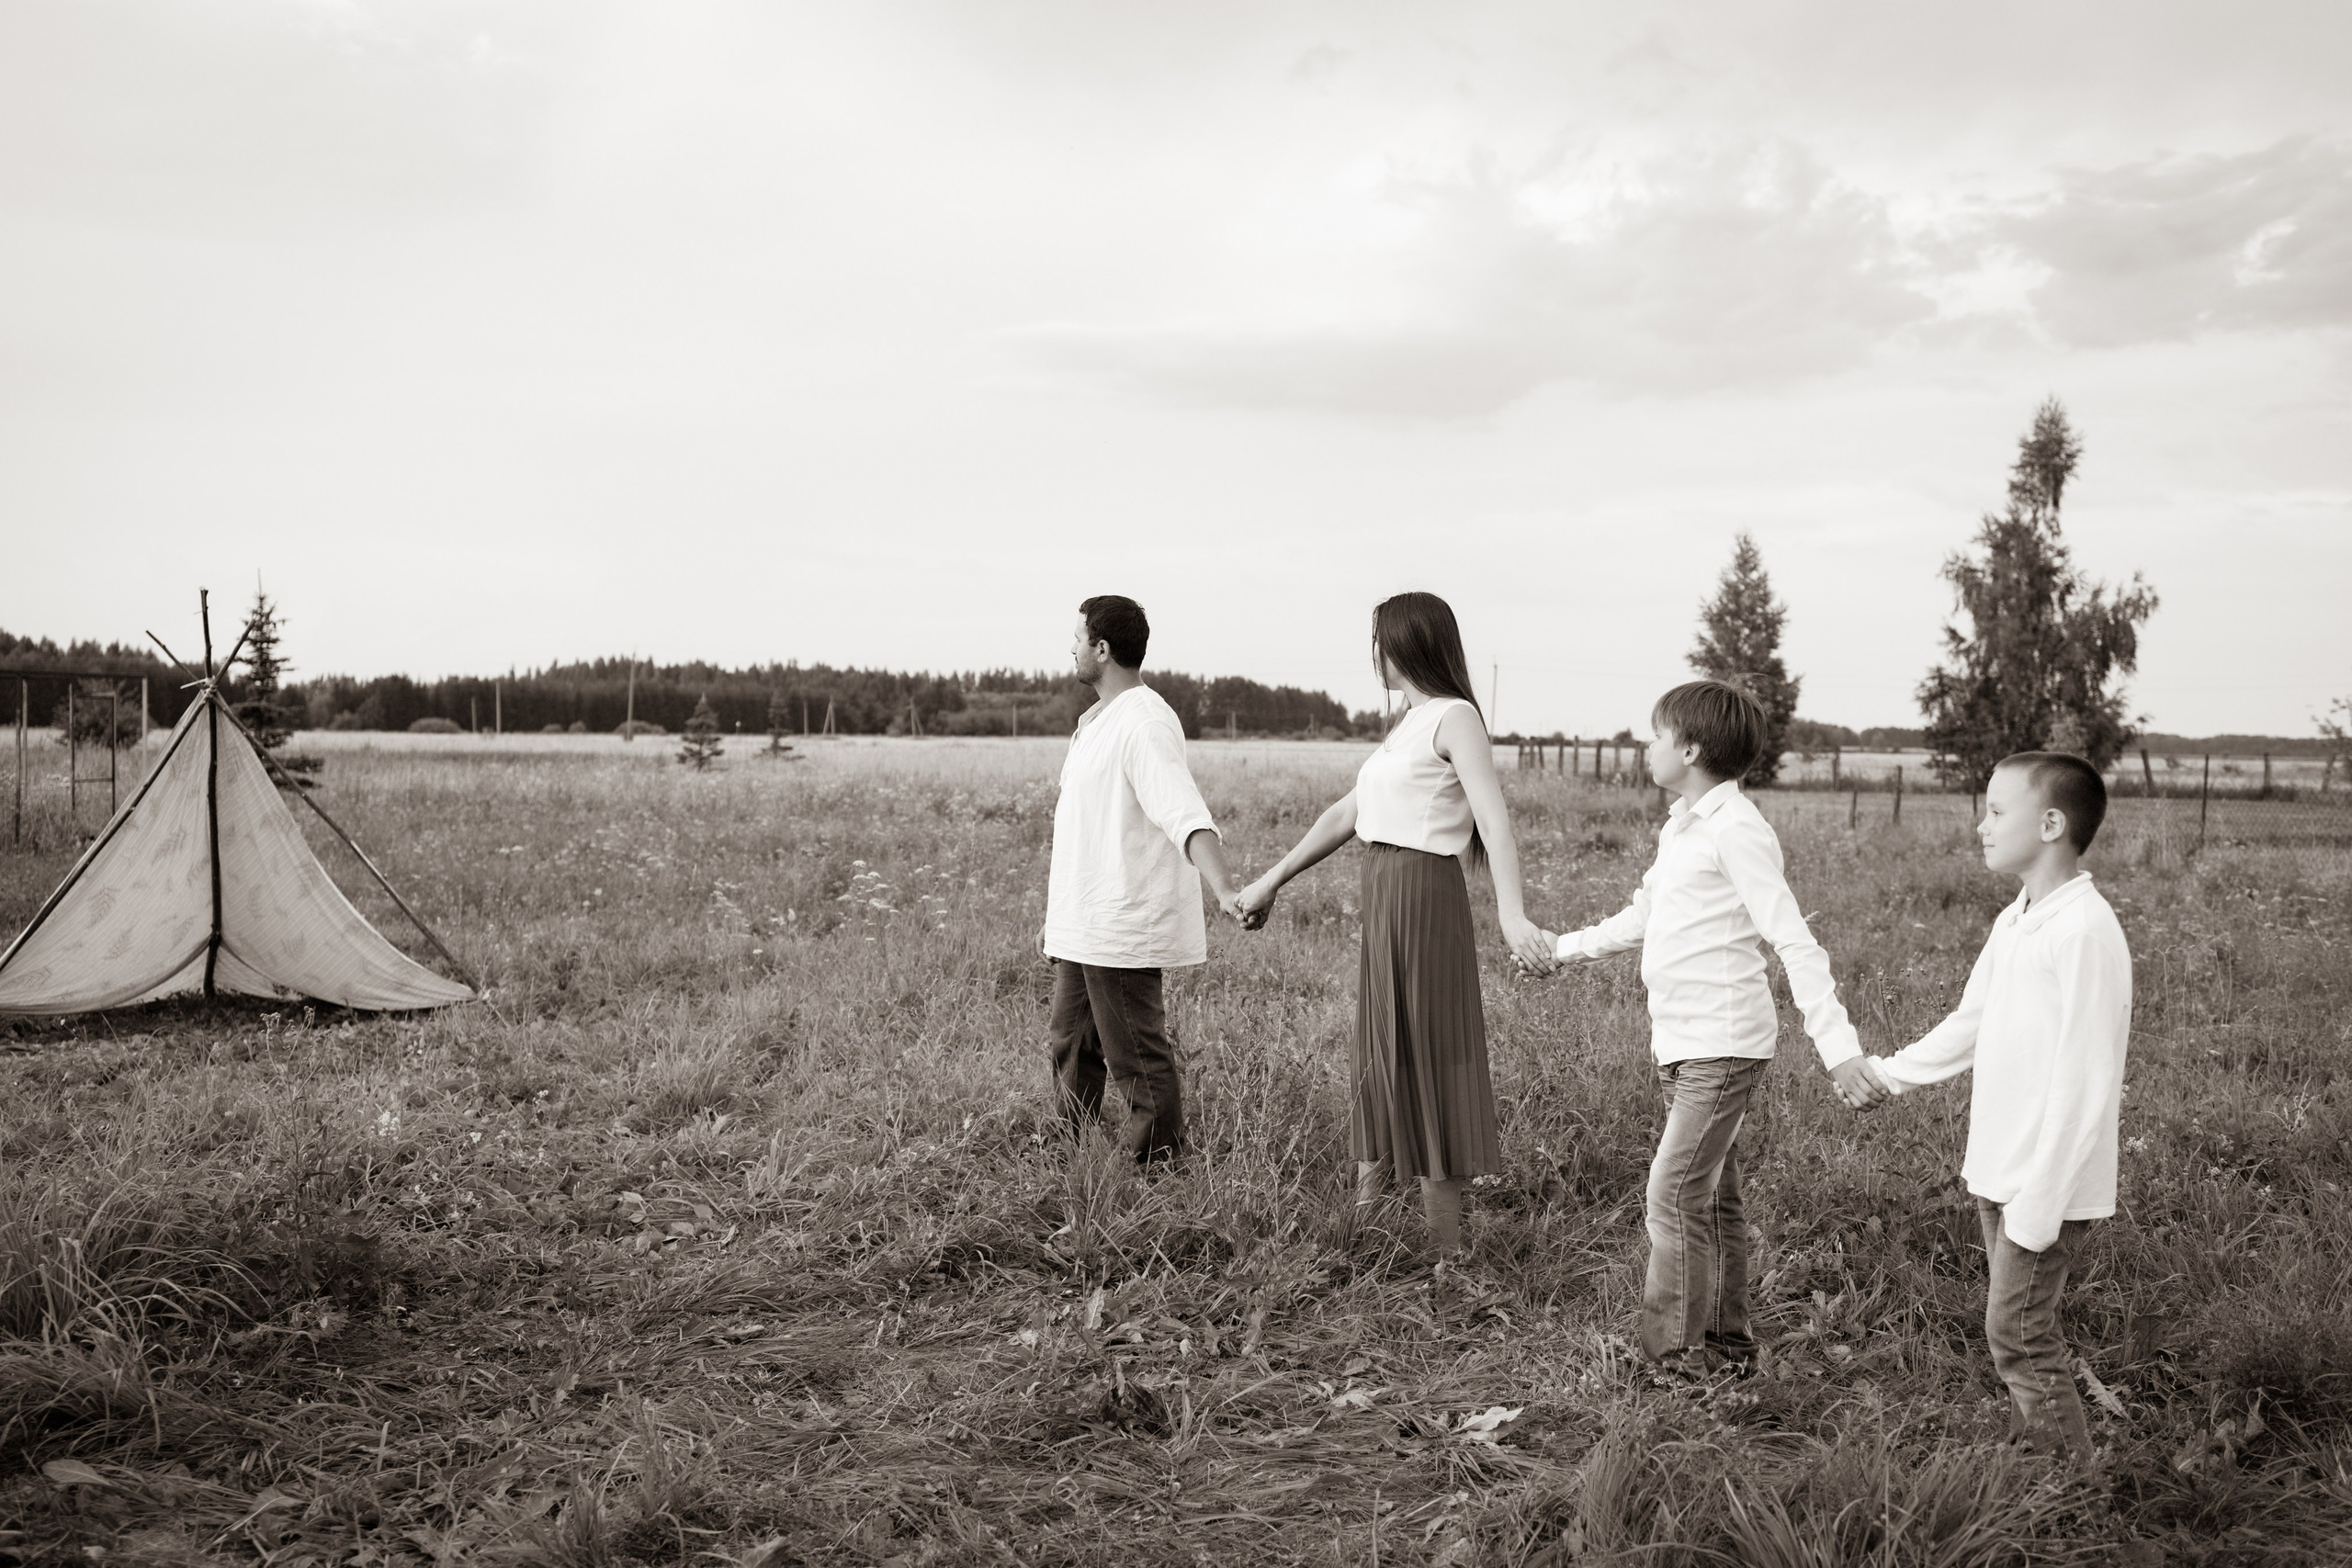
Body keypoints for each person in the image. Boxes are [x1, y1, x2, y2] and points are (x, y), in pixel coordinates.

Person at [1531, 680, 1881, 1373]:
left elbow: (1794, 940)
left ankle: (1675, 1359)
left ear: (1689, 748)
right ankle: (1725, 1346)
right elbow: (1644, 918)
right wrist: (1560, 949)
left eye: (1655, 734)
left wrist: (1839, 1049)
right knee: (1714, 1197)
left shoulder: (1737, 829)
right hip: (1682, 1042)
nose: (1645, 744)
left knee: (1672, 1191)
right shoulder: (1682, 825)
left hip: (1723, 1044)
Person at [1235, 592, 1553, 1257]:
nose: (1372, 654)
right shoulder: (1402, 725)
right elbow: (1345, 813)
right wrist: (1271, 879)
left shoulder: (1455, 716)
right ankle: (1364, 1224)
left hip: (1425, 895)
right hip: (1383, 892)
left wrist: (1511, 911)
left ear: (1407, 643)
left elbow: (1493, 818)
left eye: (1378, 640)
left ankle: (1447, 1254)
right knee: (1379, 1048)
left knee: (1430, 1053)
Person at [1849, 752, 2131, 1461]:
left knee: (2019, 1336)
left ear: (2051, 822)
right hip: (2000, 1169)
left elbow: (2086, 1081)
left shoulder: (2083, 932)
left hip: (2045, 1183)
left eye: (1997, 811)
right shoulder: (2019, 918)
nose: (1982, 825)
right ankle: (2045, 1454)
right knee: (2020, 1333)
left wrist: (2040, 1203)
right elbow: (1970, 1022)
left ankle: (2074, 1493)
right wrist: (1888, 1076)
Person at [1039, 594, 1245, 1164]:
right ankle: (1070, 1152)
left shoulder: (1145, 722)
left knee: (1135, 1054)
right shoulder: (1097, 724)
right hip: (1085, 921)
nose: (1071, 648)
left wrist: (1225, 890)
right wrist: (1059, 919)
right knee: (1072, 1044)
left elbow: (1184, 813)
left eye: (1078, 638)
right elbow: (1089, 834)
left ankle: (1158, 1168)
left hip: (1123, 921)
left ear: (1102, 650)